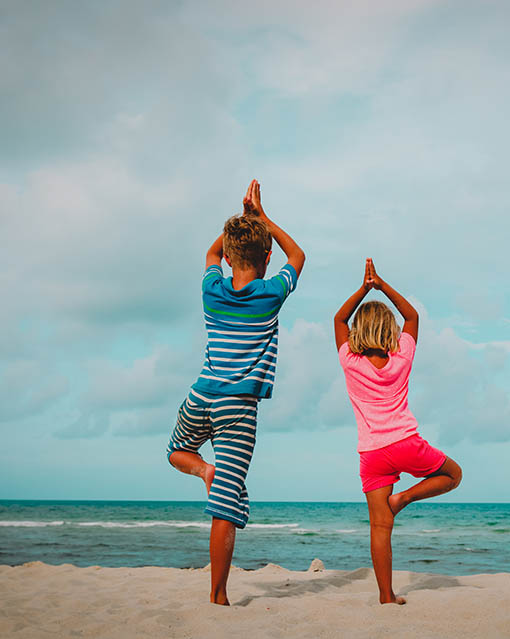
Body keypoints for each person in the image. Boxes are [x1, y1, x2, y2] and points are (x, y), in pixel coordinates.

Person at [166, 179, 305, 605]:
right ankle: (218, 595)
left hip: (200, 395)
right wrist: (261, 218)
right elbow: (297, 256)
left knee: (176, 452)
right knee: (225, 503)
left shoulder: (212, 288)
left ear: (227, 257)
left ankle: (203, 470)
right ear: (267, 257)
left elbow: (211, 254)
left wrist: (239, 222)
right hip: (237, 407)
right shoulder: (269, 294)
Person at [334, 258, 462, 604]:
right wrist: (382, 284)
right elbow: (413, 317)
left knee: (379, 528)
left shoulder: (349, 361)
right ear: (388, 329)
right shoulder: (402, 356)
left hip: (372, 453)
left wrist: (363, 288)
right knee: (454, 475)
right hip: (405, 442)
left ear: (360, 331)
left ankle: (387, 596)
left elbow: (339, 319)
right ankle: (404, 498)